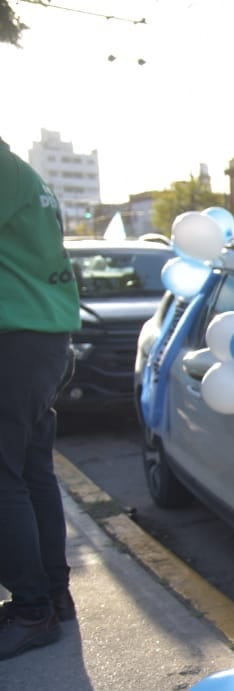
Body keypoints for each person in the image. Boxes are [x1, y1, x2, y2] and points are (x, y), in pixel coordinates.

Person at [0, 136, 81, 660]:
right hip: (42, 338)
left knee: (5, 480)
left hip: (15, 338)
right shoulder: (22, 172)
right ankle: (52, 595)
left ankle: (32, 610)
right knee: (31, 473)